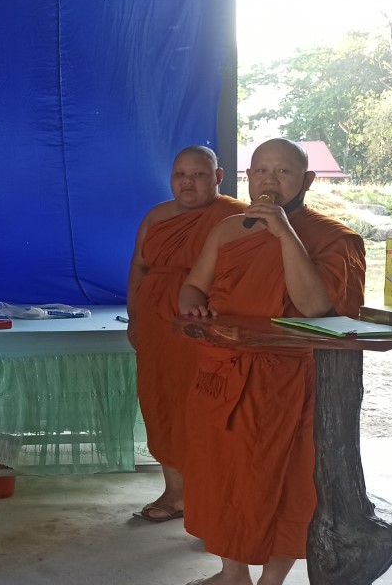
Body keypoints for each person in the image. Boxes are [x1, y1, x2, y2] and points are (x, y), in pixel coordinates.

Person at [177, 138, 366, 585]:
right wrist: (193, 306)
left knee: (287, 480)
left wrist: (284, 234)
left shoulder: (333, 238)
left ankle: (272, 579)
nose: (270, 180)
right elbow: (193, 286)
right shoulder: (228, 229)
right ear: (248, 177)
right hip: (223, 374)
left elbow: (315, 308)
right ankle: (233, 574)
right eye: (261, 170)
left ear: (307, 180)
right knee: (222, 475)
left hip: (292, 380)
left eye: (283, 172)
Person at [126, 146, 246, 523]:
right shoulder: (157, 216)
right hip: (157, 326)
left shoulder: (237, 217)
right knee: (161, 402)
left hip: (206, 325)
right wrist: (135, 319)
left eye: (198, 174)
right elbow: (139, 267)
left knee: (204, 407)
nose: (187, 182)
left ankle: (212, 496)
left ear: (218, 177)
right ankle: (175, 494)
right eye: (180, 174)